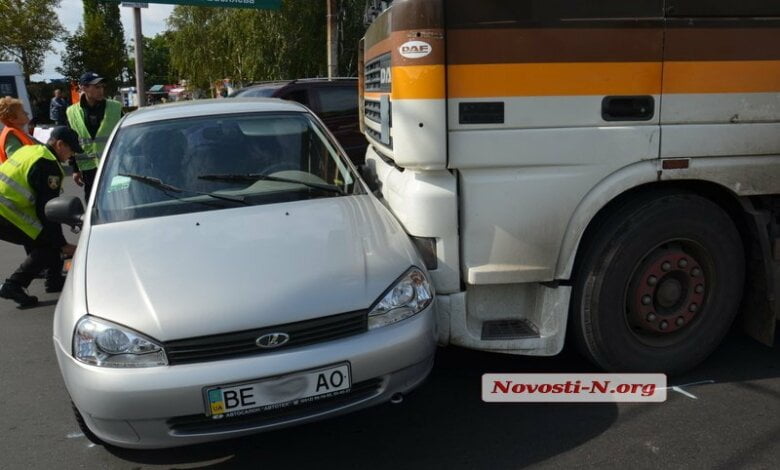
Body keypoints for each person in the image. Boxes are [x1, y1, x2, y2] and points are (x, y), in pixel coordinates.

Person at [0, 126, 81, 307]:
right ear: (60, 144)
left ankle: (54, 280)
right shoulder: (47, 165)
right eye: (71, 150)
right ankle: (13, 285)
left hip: (6, 209)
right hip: (6, 213)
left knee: (46, 239)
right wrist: (62, 244)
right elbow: (48, 212)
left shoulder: (32, 150)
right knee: (48, 245)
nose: (72, 155)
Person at [66, 72, 122, 199]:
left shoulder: (115, 107)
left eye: (102, 87)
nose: (101, 90)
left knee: (116, 199)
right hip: (88, 169)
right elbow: (71, 142)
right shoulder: (72, 112)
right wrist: (75, 169)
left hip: (113, 164)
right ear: (83, 88)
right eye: (97, 87)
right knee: (92, 200)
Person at [0, 96, 36, 164]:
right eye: (22, 112)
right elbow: (16, 164)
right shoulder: (11, 137)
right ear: (12, 119)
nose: (27, 113)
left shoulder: (17, 132)